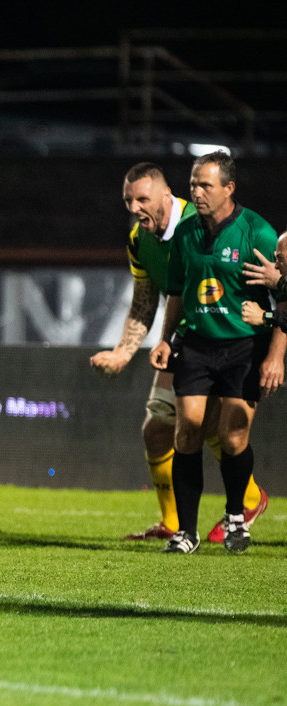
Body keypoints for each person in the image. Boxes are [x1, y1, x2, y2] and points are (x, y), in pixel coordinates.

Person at [90, 163, 269, 541]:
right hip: (185, 341)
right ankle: (174, 524)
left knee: (207, 428)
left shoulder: (199, 220)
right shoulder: (140, 239)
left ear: (167, 195)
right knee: (158, 429)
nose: (134, 208)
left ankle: (246, 501)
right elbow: (145, 300)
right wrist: (124, 352)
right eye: (128, 201)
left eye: (142, 199)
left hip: (225, 339)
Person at [149, 151, 283, 555]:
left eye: (205, 185)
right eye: (193, 184)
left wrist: (276, 356)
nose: (197, 192)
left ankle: (236, 518)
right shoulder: (186, 234)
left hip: (245, 346)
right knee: (186, 428)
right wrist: (165, 338)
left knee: (232, 434)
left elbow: (285, 297)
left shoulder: (257, 232)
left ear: (229, 188)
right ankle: (185, 533)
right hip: (197, 344)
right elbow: (176, 292)